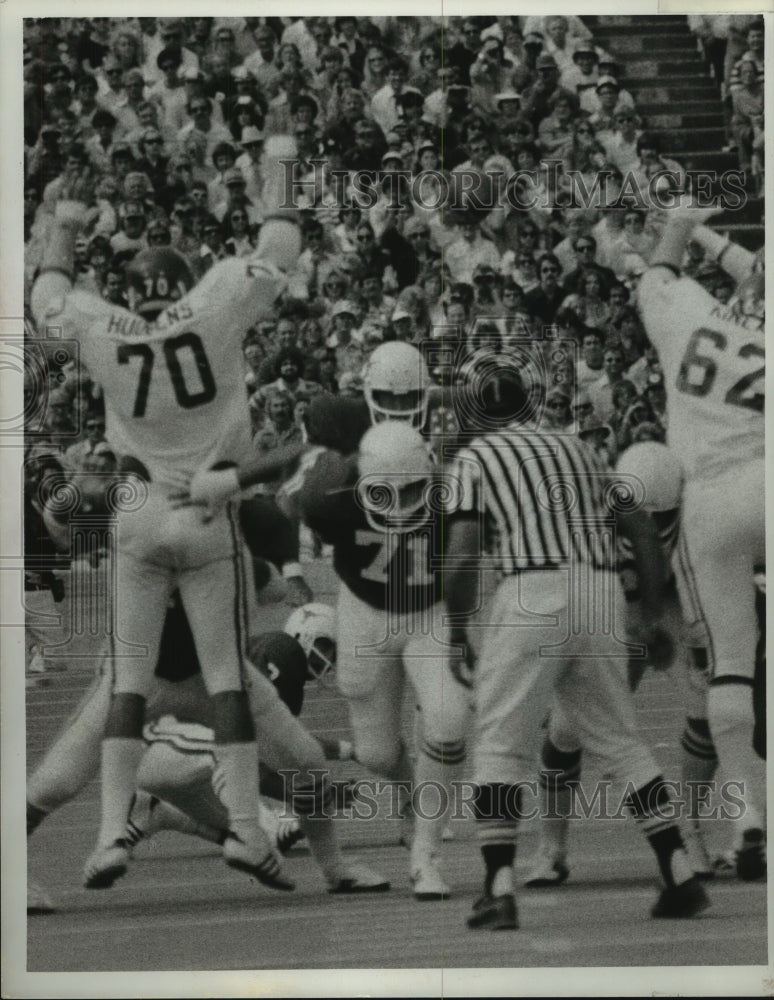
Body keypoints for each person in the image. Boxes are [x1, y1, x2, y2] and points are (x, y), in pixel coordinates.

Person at [29, 137, 305, 892]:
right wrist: (281, 158)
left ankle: (110, 836)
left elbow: (46, 303)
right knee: (228, 681)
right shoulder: (216, 299)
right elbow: (281, 244)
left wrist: (67, 223)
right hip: (207, 507)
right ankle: (247, 828)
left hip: (138, 507)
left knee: (126, 683)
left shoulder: (104, 325)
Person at [179, 343, 471, 899]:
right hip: (365, 607)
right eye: (388, 398)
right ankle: (409, 792)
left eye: (411, 397)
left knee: (448, 718)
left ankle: (426, 853)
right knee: (378, 754)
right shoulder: (331, 471)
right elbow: (293, 460)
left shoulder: (454, 461)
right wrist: (229, 482)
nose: (400, 407)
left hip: (429, 609)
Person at [443, 360, 710, 930]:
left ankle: (498, 886)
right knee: (620, 741)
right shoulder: (578, 449)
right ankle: (679, 870)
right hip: (599, 590)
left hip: (531, 589)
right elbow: (641, 528)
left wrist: (457, 628)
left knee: (499, 744)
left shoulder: (476, 458)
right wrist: (652, 612)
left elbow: (463, 552)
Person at [636, 206, 765, 881]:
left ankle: (747, 820)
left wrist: (681, 225)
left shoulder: (691, 314)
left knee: (729, 667)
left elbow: (657, 276)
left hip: (712, 501)